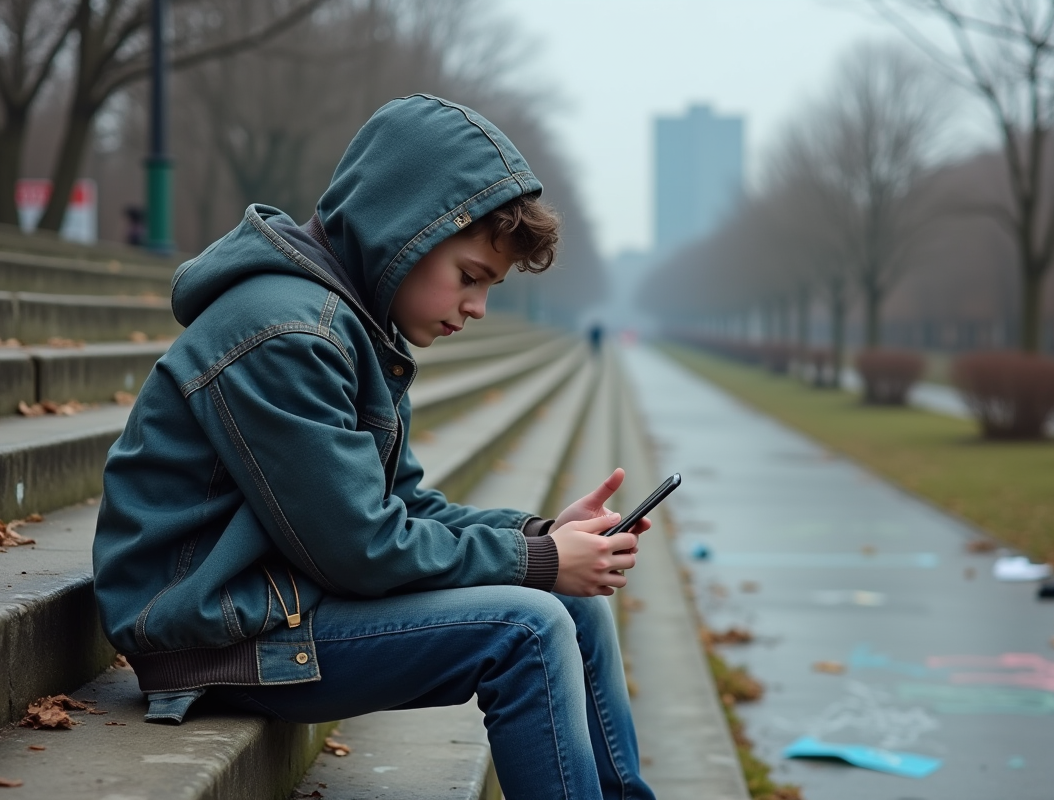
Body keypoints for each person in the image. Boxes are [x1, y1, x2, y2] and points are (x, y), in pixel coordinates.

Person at [92, 94, 656, 800]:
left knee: (575, 606)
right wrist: (538, 561)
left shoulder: (351, 326)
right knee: (529, 626)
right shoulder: (289, 335)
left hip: (286, 597)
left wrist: (541, 536)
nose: (477, 307)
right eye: (471, 276)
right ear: (406, 235)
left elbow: (403, 506)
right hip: (217, 631)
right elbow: (361, 548)